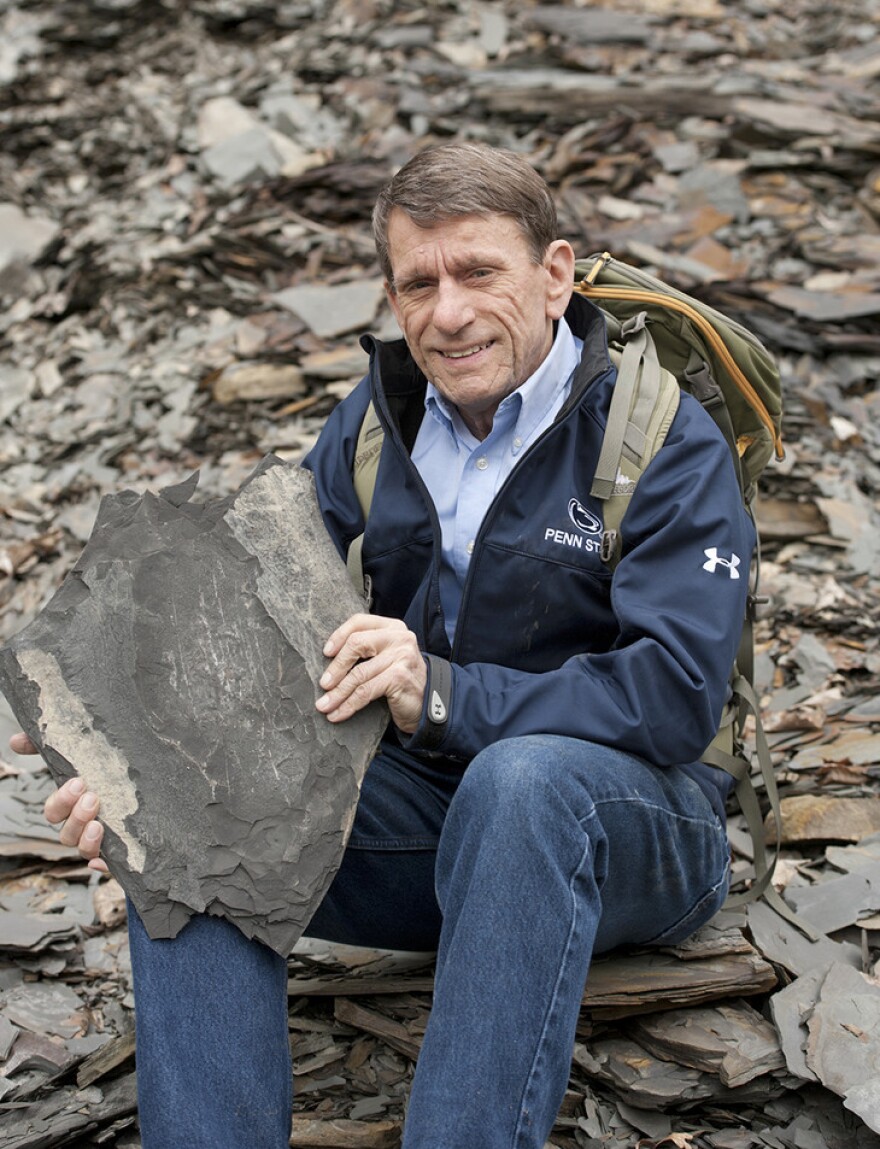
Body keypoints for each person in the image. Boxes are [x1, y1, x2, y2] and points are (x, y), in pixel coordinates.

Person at [11, 142, 754, 1149]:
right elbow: (260, 643)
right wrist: (127, 758)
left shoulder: (657, 439)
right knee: (177, 815)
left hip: (637, 834)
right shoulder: (376, 423)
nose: (446, 313)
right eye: (418, 281)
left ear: (555, 273)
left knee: (523, 785)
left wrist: (443, 695)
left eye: (478, 272)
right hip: (438, 836)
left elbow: (673, 696)